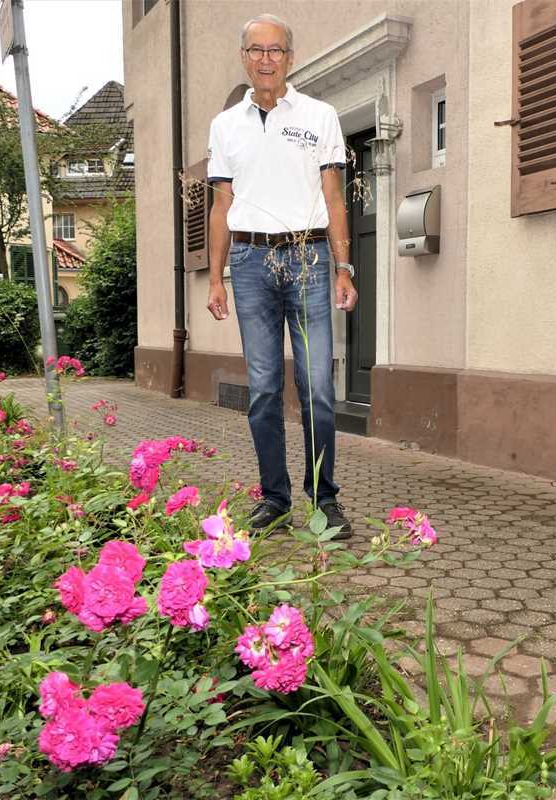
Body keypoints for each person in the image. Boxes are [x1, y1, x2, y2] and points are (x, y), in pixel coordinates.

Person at [206, 13, 358, 538]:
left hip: (310, 259)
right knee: (265, 389)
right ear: (244, 57)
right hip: (249, 264)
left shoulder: (320, 116)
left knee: (316, 384)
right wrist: (215, 277)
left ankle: (324, 500)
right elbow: (220, 205)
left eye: (275, 50)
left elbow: (334, 199)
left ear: (290, 58)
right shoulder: (225, 126)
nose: (265, 59)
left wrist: (344, 267)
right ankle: (275, 499)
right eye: (256, 50)